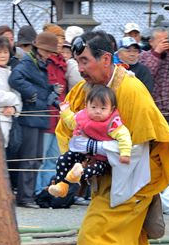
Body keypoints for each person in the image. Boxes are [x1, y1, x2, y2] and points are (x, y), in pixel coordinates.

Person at [55, 30, 169, 245]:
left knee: (95, 234)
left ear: (106, 59)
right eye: (77, 61)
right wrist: (80, 157)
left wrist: (93, 148)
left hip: (135, 178)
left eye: (85, 61)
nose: (80, 68)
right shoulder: (88, 89)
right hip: (108, 176)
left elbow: (139, 146)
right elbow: (69, 123)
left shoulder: (131, 91)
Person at [48, 85, 131, 198]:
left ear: (112, 109)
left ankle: (75, 177)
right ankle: (61, 185)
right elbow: (72, 122)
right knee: (63, 159)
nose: (98, 111)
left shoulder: (113, 122)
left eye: (103, 108)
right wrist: (66, 112)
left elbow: (124, 136)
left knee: (93, 169)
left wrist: (125, 153)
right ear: (86, 106)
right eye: (93, 107)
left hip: (100, 158)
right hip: (81, 153)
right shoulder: (82, 115)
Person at [9, 32, 60, 209]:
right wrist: (33, 94)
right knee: (29, 158)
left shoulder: (40, 63)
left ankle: (28, 195)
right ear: (38, 48)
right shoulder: (28, 62)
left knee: (37, 158)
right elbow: (14, 78)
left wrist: (52, 95)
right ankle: (25, 196)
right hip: (31, 116)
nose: (48, 54)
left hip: (40, 114)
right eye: (46, 50)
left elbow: (40, 86)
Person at [35, 24, 67, 197]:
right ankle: (37, 190)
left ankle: (47, 190)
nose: (61, 43)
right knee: (40, 158)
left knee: (54, 159)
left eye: (62, 39)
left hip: (59, 118)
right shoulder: (45, 63)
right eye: (57, 39)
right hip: (45, 117)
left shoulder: (64, 64)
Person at [139, 27, 169, 135]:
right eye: (160, 41)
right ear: (151, 42)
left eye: (166, 40)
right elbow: (146, 76)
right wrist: (157, 53)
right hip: (150, 114)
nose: (165, 43)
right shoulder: (144, 56)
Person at [0, 36, 22, 147]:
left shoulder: (9, 72)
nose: (3, 55)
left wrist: (14, 108)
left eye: (6, 52)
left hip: (6, 122)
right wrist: (13, 98)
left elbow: (19, 97)